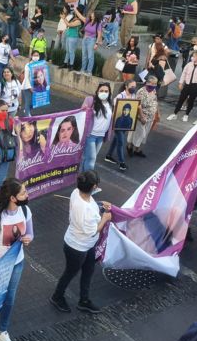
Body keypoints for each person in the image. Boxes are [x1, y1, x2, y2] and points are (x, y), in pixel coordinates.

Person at [0, 178, 34, 341]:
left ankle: (2, 331)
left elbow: (31, 234)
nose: (27, 194)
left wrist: (27, 239)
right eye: (23, 193)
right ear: (12, 198)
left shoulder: (25, 211)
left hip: (17, 263)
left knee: (9, 298)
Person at [50, 171, 112, 313]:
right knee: (70, 272)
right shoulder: (86, 210)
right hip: (77, 247)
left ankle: (84, 300)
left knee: (88, 270)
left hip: (85, 245)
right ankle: (57, 296)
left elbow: (90, 205)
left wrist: (100, 204)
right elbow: (93, 231)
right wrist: (105, 219)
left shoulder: (76, 193)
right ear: (94, 186)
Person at [167, 50, 197, 123]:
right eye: (192, 56)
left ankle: (186, 114)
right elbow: (184, 73)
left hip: (196, 85)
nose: (192, 58)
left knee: (191, 100)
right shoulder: (189, 64)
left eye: (194, 56)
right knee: (181, 98)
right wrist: (180, 83)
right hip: (187, 84)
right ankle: (175, 113)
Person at [104, 80, 136, 171]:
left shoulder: (133, 96)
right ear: (126, 86)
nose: (133, 88)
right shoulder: (120, 96)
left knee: (116, 139)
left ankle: (108, 155)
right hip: (118, 123)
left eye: (134, 86)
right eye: (132, 86)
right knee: (121, 142)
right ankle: (122, 163)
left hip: (126, 124)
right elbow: (115, 108)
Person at [127, 75, 158, 157]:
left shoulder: (154, 91)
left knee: (145, 134)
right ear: (147, 82)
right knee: (139, 133)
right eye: (152, 83)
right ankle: (130, 147)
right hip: (142, 117)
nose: (154, 85)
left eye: (155, 83)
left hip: (150, 117)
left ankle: (137, 150)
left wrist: (157, 114)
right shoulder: (141, 92)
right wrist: (142, 117)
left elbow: (155, 102)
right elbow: (138, 105)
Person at [73, 9, 103, 74]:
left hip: (91, 40)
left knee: (90, 56)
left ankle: (89, 71)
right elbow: (80, 16)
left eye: (92, 14)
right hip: (85, 39)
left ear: (95, 16)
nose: (91, 14)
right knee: (84, 55)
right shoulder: (87, 21)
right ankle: (82, 70)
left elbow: (99, 34)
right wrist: (75, 9)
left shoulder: (98, 24)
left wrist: (96, 43)